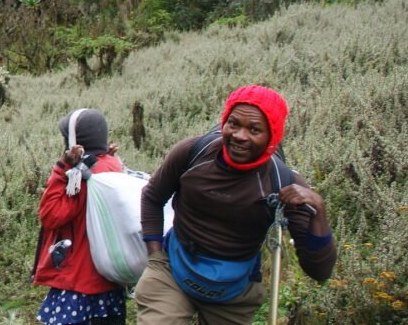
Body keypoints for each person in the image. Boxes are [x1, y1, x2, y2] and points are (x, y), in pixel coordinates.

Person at [135, 85, 337, 324]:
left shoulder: (282, 182)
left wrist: (318, 210)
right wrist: (156, 257)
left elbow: (319, 271)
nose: (240, 135)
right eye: (233, 124)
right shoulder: (193, 152)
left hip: (232, 293)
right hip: (172, 271)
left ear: (272, 136)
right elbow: (153, 197)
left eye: (254, 129)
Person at [32, 108, 126, 325]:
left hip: (79, 279)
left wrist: (61, 170)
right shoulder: (112, 164)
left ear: (75, 142)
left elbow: (51, 215)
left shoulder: (80, 175)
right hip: (108, 277)